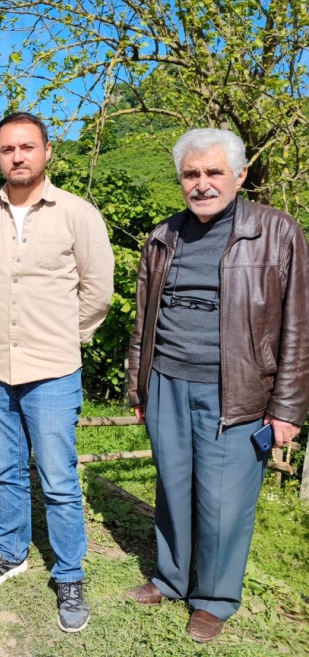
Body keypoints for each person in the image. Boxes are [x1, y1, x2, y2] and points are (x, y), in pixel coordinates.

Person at [124, 128, 309, 642]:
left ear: (240, 175)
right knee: (173, 489)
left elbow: (300, 325)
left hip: (238, 391)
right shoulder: (163, 236)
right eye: (191, 174)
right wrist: (139, 386)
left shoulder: (277, 232)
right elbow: (143, 320)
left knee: (224, 503)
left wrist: (287, 407)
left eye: (213, 172)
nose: (201, 183)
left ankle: (214, 598)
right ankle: (171, 578)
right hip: (166, 383)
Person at [0, 112, 114, 633]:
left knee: (58, 478)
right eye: (7, 149)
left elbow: (98, 290)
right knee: (6, 469)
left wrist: (65, 338)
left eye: (27, 146)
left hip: (53, 370)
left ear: (47, 151)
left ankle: (69, 574)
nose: (18, 156)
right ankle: (10, 551)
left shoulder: (77, 214)